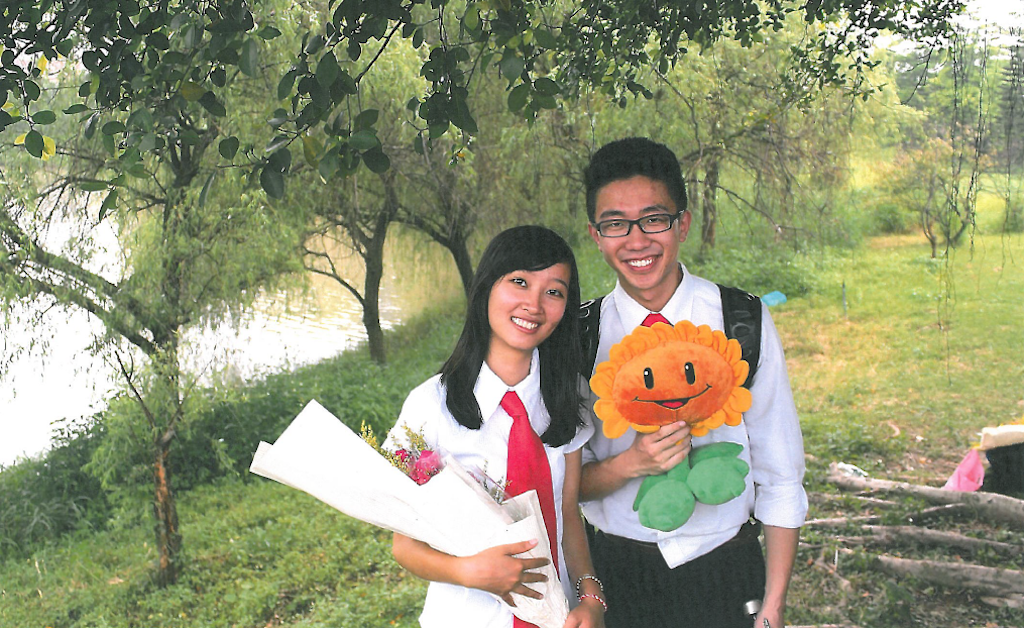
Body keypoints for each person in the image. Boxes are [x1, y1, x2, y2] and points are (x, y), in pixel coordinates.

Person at [578, 137, 808, 628]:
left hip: (725, 568)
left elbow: (780, 466)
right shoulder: (578, 336)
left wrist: (773, 606)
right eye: (615, 223)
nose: (636, 240)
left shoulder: (741, 319)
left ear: (682, 223)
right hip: (616, 575)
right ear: (596, 235)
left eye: (654, 219)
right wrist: (630, 464)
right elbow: (562, 484)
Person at [387, 225, 607, 628]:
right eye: (519, 282)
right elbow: (404, 545)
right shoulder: (429, 406)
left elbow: (567, 512)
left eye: (554, 291)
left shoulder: (569, 397)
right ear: (487, 287)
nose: (534, 305)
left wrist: (591, 597)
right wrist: (469, 571)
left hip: (557, 617)